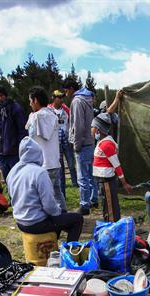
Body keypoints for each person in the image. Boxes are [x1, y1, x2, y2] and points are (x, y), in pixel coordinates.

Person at [6, 137, 84, 242]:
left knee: (61, 215)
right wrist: (59, 212)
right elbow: (49, 205)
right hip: (36, 223)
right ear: (38, 153)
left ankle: (52, 244)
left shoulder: (13, 171)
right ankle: (70, 249)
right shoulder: (39, 172)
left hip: (20, 222)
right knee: (77, 219)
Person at [26, 86, 65, 212]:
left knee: (44, 198)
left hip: (43, 165)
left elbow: (30, 140)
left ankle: (51, 219)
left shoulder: (35, 117)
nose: (30, 104)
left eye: (30, 101)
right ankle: (63, 214)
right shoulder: (53, 115)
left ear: (35, 100)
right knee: (57, 193)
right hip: (54, 161)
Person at [64, 79, 97, 215]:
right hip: (90, 141)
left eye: (66, 90)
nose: (66, 94)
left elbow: (78, 125)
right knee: (91, 174)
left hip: (82, 144)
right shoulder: (88, 98)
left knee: (82, 176)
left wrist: (76, 145)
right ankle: (94, 199)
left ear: (71, 89)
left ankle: (84, 205)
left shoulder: (77, 101)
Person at [91, 112, 132, 222]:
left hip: (107, 181)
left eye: (93, 127)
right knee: (107, 205)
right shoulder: (102, 142)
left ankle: (112, 226)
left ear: (98, 129)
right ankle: (110, 223)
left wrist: (124, 183)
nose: (92, 130)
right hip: (103, 181)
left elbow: (117, 165)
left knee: (110, 208)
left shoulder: (107, 145)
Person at [0, 85, 27, 179]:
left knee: (17, 178)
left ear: (6, 96)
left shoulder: (15, 108)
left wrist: (20, 147)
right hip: (1, 153)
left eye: (1, 95)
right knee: (7, 179)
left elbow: (22, 130)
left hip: (14, 152)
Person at [48, 90, 77, 190]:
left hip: (66, 139)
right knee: (60, 165)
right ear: (53, 98)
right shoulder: (48, 110)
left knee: (71, 163)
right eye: (59, 97)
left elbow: (72, 122)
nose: (61, 99)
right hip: (55, 142)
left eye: (62, 97)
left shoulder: (66, 109)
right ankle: (62, 184)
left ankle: (75, 182)